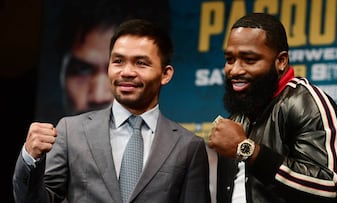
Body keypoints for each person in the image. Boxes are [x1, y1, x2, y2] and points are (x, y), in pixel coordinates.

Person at [13, 19, 211, 203]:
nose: (126, 72)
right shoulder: (71, 131)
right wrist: (30, 158)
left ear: (165, 74)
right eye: (118, 61)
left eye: (141, 63)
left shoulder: (188, 147)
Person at [208, 13, 337, 203]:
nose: (235, 70)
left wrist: (246, 149)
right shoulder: (241, 114)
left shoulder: (307, 104)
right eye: (230, 59)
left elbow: (330, 188)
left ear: (281, 61)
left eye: (249, 60)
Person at [55, 0, 171, 117]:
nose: (99, 96)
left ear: (164, 74)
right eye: (82, 70)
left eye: (139, 63)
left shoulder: (179, 134)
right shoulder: (53, 132)